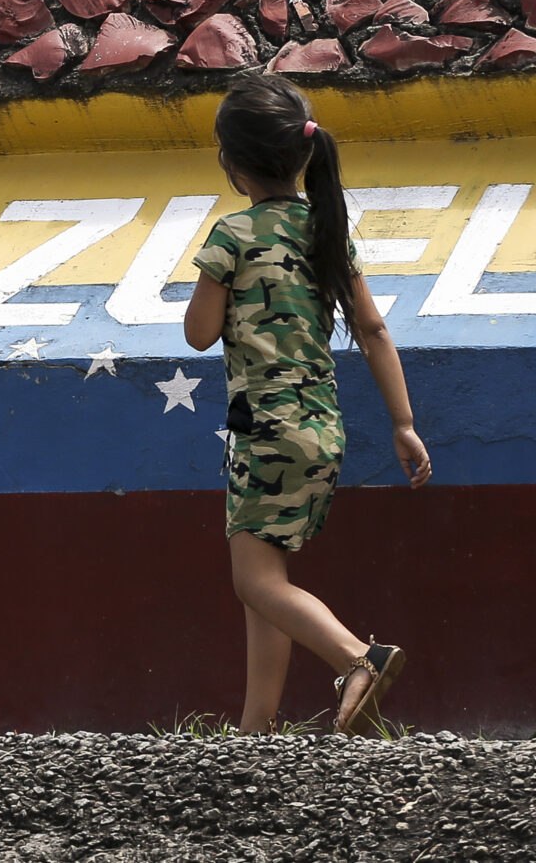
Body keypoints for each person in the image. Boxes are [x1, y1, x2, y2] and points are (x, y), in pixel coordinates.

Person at [185, 70, 433, 735]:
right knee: (267, 575)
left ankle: (357, 656)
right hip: (322, 427)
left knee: (252, 581)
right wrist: (404, 425)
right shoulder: (326, 231)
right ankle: (255, 727)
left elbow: (198, 332)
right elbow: (376, 330)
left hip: (263, 427)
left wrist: (219, 282)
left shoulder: (232, 235)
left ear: (232, 165)